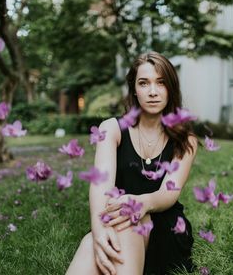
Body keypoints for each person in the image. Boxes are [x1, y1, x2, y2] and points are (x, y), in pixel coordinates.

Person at [66, 52, 198, 275]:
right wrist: (99, 231)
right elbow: (101, 185)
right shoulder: (111, 128)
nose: (153, 92)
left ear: (171, 88)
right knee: (95, 242)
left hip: (163, 227)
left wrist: (140, 202)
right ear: (134, 89)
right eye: (144, 83)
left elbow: (168, 193)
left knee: (130, 219)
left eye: (161, 83)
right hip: (117, 219)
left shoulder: (186, 139)